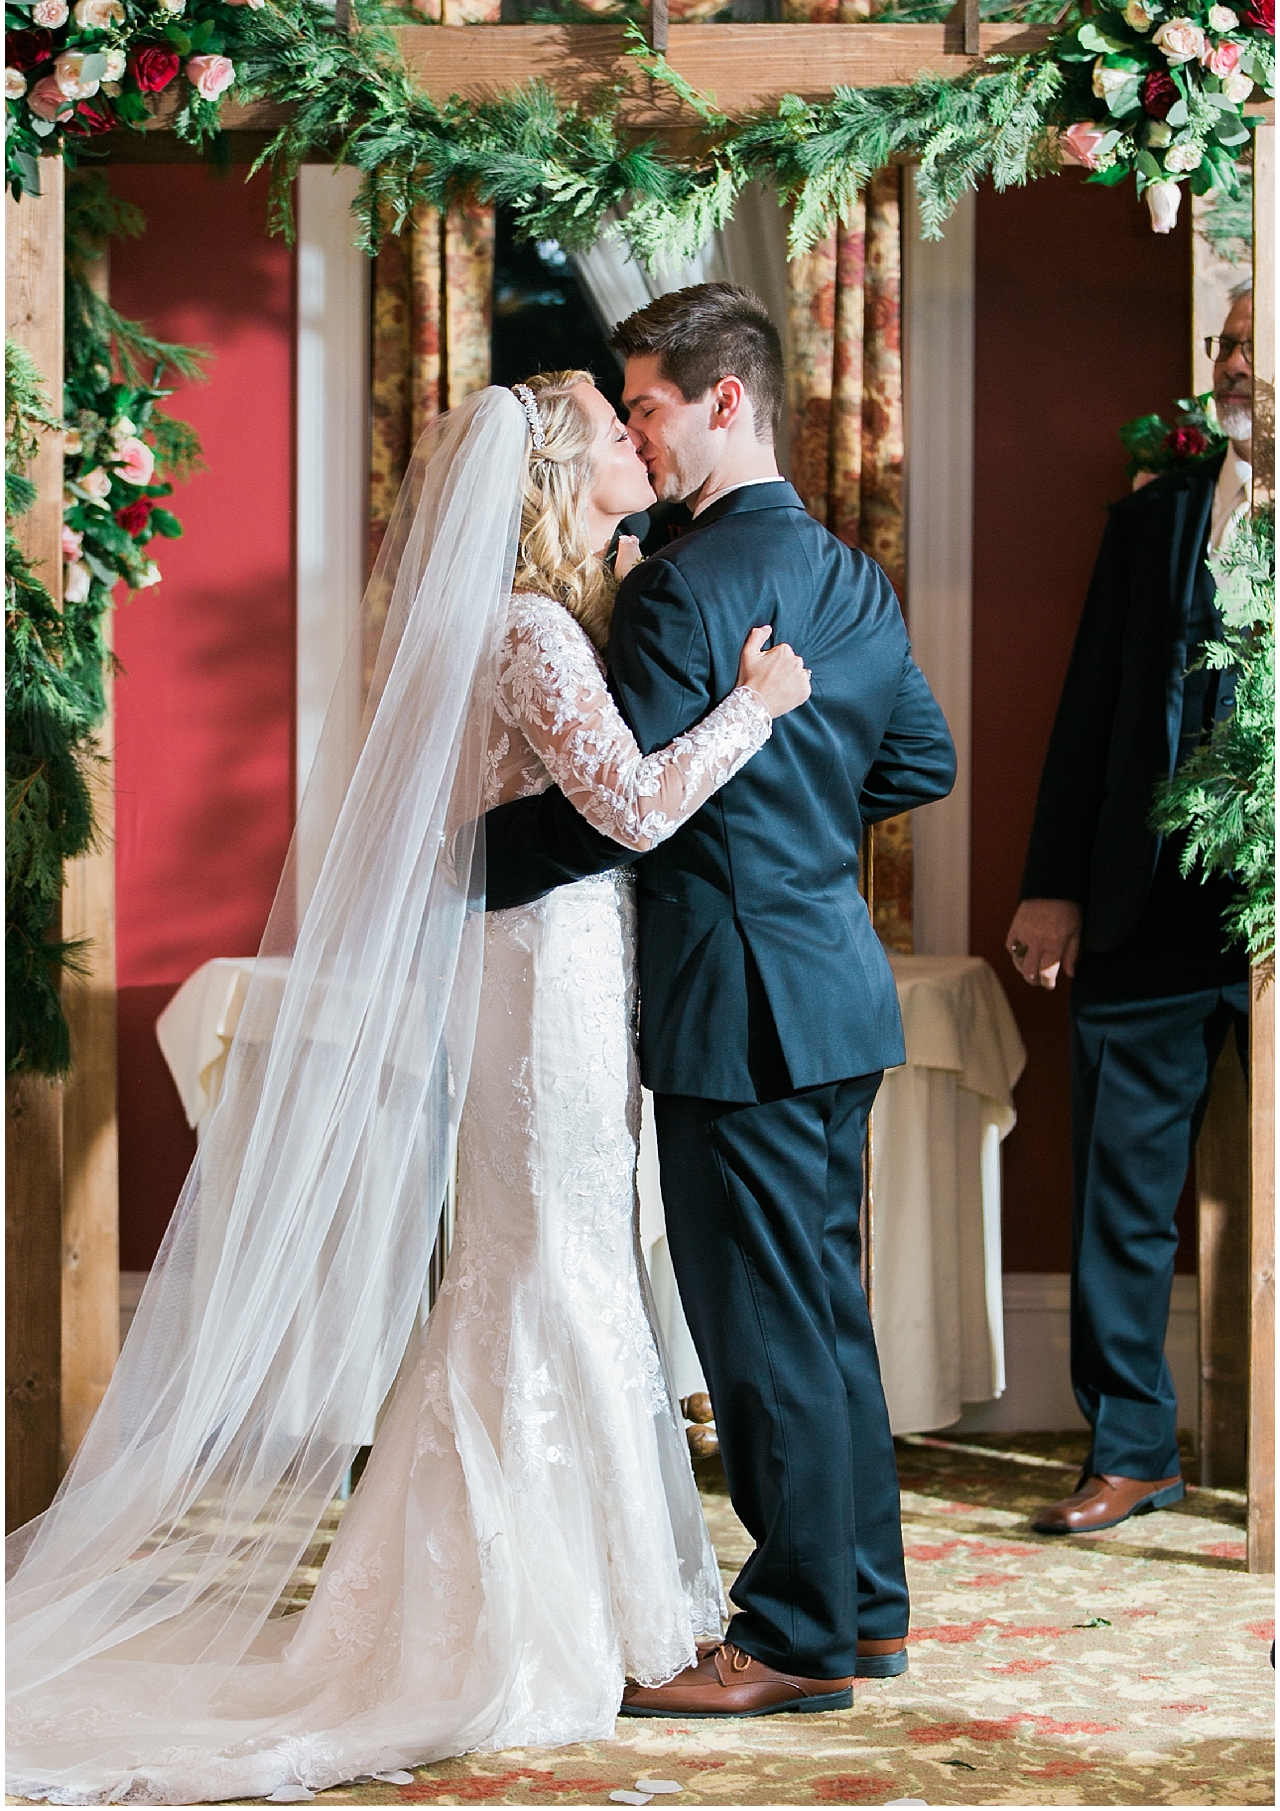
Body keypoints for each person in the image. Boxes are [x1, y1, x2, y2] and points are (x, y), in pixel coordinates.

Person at [7, 372, 813, 1804]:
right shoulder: (531, 628)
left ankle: (534, 1588)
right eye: (616, 435)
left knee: (537, 1262)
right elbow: (626, 804)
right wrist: (753, 708)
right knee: (547, 1263)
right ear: (561, 480)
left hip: (539, 964)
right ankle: (517, 1611)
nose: (641, 444)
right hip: (540, 978)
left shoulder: (537, 618)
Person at [482, 284, 957, 1716]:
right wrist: (802, 831)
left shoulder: (680, 586)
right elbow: (918, 759)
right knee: (822, 1314)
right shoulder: (853, 576)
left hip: (733, 1003)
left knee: (756, 1330)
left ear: (726, 400)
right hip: (833, 987)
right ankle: (864, 1605)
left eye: (646, 404)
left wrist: (448, 860)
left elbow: (618, 810)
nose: (635, 427)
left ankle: (798, 1635)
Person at [1005, 287, 1254, 1537]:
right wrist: (1051, 882)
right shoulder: (1152, 524)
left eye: (1255, 345)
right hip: (1145, 910)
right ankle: (1130, 1449)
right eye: (1223, 343)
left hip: (1273, 916)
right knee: (1119, 1189)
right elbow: (1090, 708)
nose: (1233, 364)